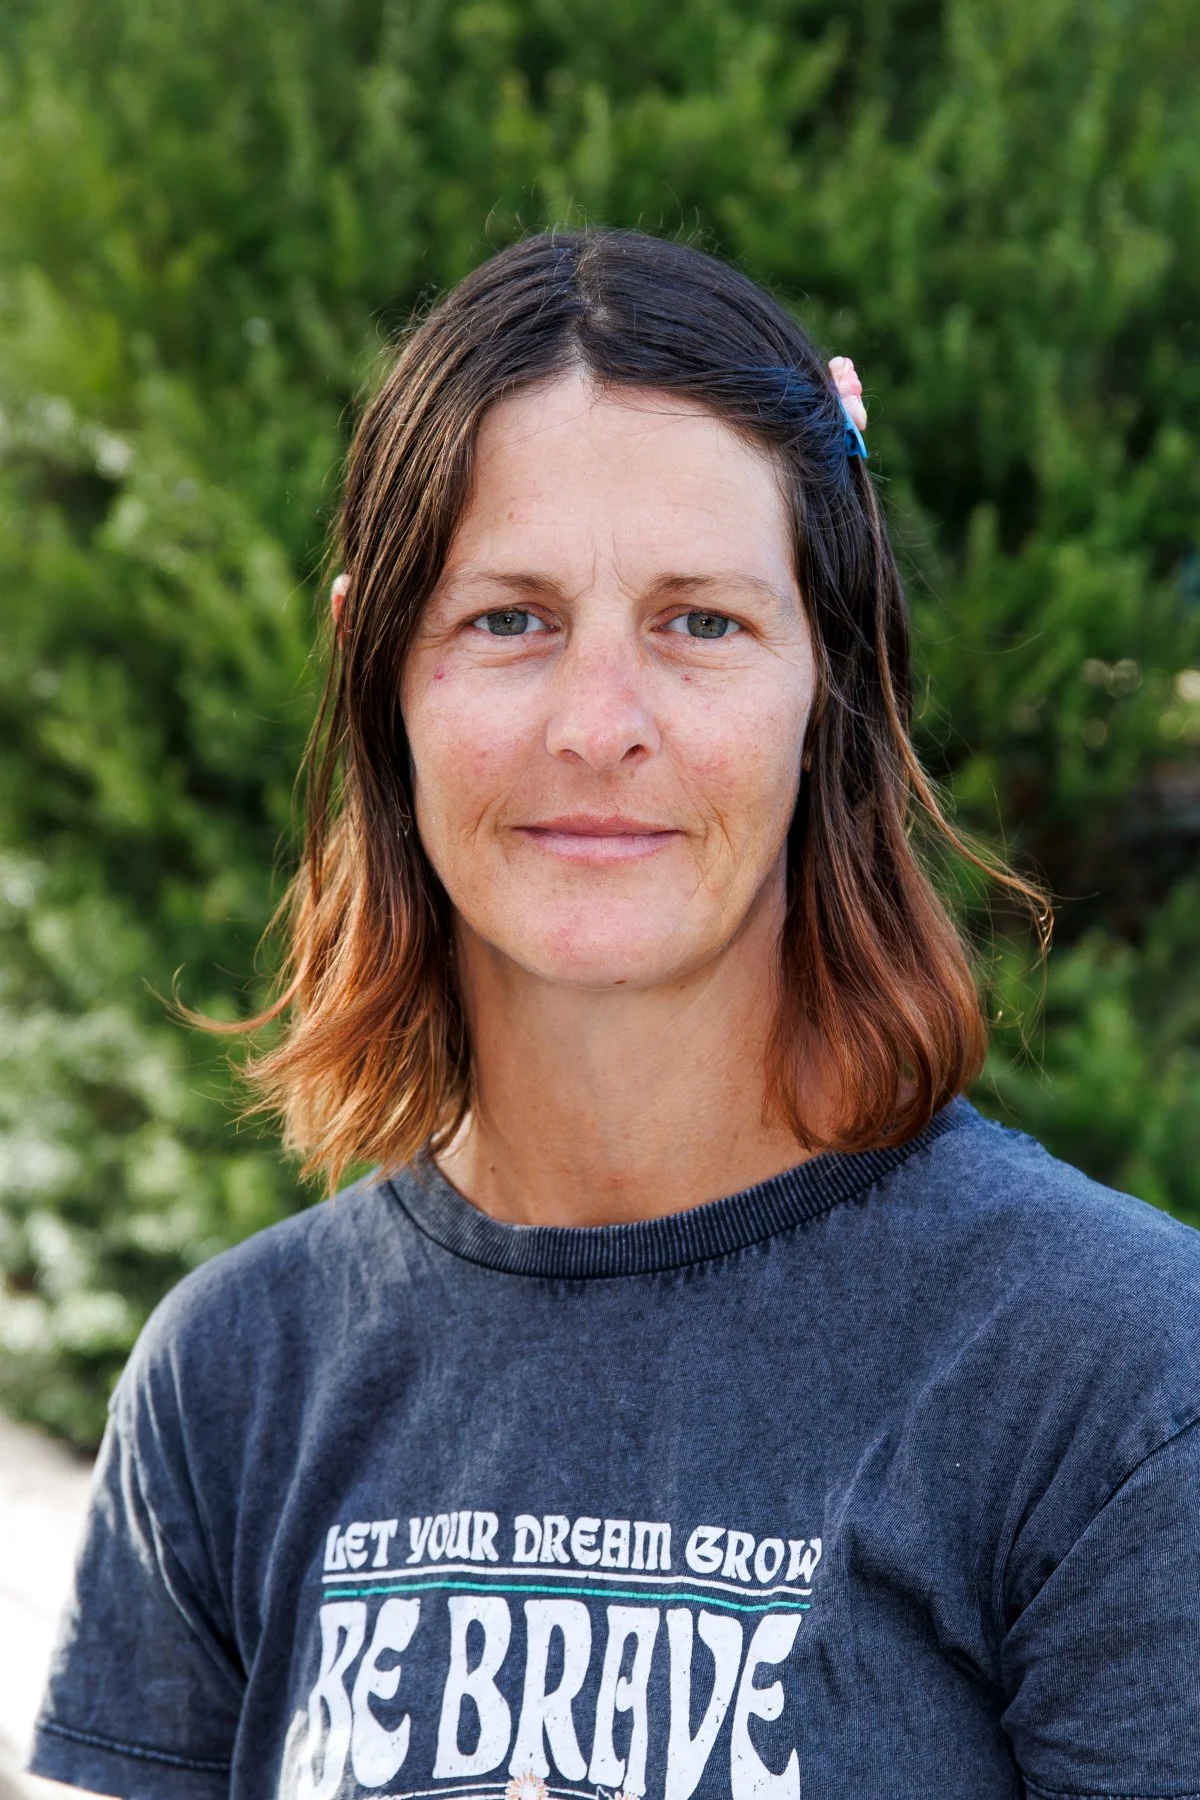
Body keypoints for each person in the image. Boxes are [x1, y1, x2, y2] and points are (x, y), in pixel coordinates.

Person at [30, 230, 1200, 1800]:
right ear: (379, 668)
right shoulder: (230, 1382)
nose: (599, 727)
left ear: (829, 681)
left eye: (699, 623)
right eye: (507, 619)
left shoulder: (1116, 1378)